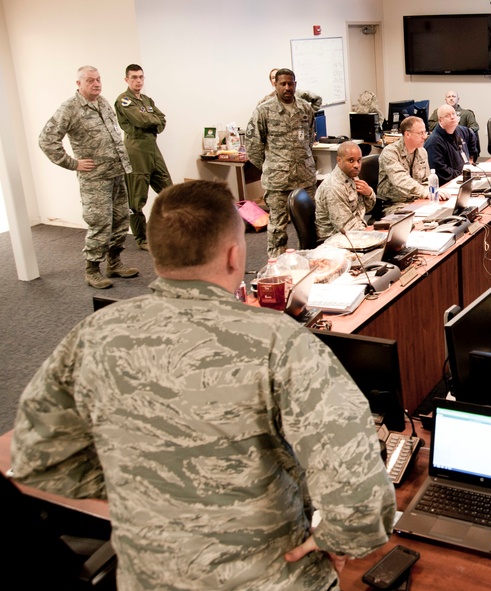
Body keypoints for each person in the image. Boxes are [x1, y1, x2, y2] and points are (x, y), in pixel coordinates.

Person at [10, 180, 396, 590]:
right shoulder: (279, 343)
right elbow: (359, 494)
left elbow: (38, 456)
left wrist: (142, 486)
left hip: (148, 576)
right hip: (271, 575)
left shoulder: (92, 335)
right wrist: (338, 539)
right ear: (234, 255)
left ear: (156, 252)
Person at [39, 65, 139, 290]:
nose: (96, 83)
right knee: (100, 224)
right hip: (95, 179)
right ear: (79, 84)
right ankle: (92, 270)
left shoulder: (102, 102)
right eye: (90, 80)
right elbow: (46, 139)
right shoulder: (70, 108)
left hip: (116, 173)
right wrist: (72, 163)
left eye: (98, 79)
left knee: (121, 220)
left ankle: (114, 263)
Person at [246, 68, 317, 258]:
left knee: (310, 223)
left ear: (295, 84)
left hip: (305, 177)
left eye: (290, 83)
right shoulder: (263, 111)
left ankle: (311, 262)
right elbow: (253, 146)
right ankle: (277, 268)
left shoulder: (305, 109)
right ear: (275, 85)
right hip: (278, 181)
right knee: (278, 228)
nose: (287, 87)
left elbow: (310, 139)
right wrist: (272, 165)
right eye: (282, 84)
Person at [115, 64, 173, 251]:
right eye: (134, 77)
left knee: (169, 191)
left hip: (152, 148)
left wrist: (152, 121)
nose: (138, 81)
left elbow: (161, 120)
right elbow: (140, 120)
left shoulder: (147, 100)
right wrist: (151, 120)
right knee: (136, 198)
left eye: (141, 77)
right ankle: (141, 238)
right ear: (127, 80)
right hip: (136, 150)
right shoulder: (124, 100)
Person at [315, 141, 376, 241]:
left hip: (354, 232)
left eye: (359, 160)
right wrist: (372, 232)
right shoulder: (333, 187)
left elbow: (366, 209)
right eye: (351, 160)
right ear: (339, 160)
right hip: (335, 239)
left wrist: (369, 194)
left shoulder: (352, 176)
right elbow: (347, 227)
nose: (356, 165)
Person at [377, 116, 437, 215]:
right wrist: (424, 192)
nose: (425, 136)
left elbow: (426, 180)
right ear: (407, 134)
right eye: (420, 133)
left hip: (417, 200)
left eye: (425, 132)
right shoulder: (390, 152)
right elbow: (400, 179)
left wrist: (431, 193)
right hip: (394, 204)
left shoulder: (422, 151)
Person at [424, 104, 478, 185]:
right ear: (440, 120)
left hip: (465, 176)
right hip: (450, 183)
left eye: (454, 114)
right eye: (447, 116)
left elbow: (471, 135)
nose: (452, 117)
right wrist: (461, 175)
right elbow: (441, 171)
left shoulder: (461, 130)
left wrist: (471, 157)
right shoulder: (434, 142)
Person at [259, 67, 323, 112]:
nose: (287, 88)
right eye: (273, 78)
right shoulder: (267, 99)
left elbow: (317, 99)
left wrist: (309, 113)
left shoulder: (297, 93)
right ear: (272, 82)